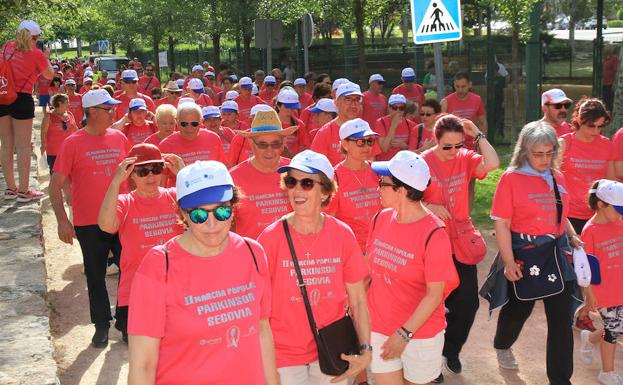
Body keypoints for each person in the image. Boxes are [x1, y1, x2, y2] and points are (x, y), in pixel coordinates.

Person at [127, 160, 279, 385]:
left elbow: (262, 330)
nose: (212, 224)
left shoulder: (252, 252)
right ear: (183, 214)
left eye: (222, 211)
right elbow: (143, 364)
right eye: (199, 215)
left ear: (233, 207)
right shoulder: (160, 265)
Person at [257, 149, 372, 385]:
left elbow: (358, 299)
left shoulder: (341, 234)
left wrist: (366, 349)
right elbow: (258, 309)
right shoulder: (270, 238)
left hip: (333, 349)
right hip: (285, 355)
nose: (297, 191)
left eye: (307, 183)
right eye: (291, 182)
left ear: (325, 191)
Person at [490, 121, 582, 385]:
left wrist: (573, 236)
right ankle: (502, 343)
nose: (544, 159)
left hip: (556, 254)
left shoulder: (557, 176)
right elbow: (502, 223)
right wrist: (508, 261)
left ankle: (560, 380)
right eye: (538, 153)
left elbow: (560, 214)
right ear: (524, 151)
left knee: (561, 321)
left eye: (549, 152)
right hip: (526, 254)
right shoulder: (512, 178)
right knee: (520, 309)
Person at [367, 150, 459, 385]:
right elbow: (369, 270)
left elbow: (434, 294)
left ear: (401, 190)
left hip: (420, 334)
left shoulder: (434, 233)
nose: (378, 187)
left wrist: (404, 334)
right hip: (380, 327)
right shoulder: (380, 218)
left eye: (382, 183)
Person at [49, 89, 129, 347]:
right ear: (93, 112)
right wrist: (62, 220)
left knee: (129, 272)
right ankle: (102, 325)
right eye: (108, 109)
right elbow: (55, 183)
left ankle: (127, 323)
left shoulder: (118, 138)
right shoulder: (72, 143)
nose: (113, 113)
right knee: (95, 276)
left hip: (122, 217)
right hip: (89, 222)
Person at [421, 114, 499, 375]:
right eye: (447, 147)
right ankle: (430, 365)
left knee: (467, 305)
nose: (454, 152)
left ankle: (450, 349)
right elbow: (405, 198)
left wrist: (476, 132)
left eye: (458, 145)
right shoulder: (423, 162)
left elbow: (494, 163)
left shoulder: (464, 157)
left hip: (461, 241)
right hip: (431, 242)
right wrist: (428, 205)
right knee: (429, 306)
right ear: (436, 140)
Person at [98, 143, 185, 343]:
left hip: (175, 290)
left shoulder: (174, 196)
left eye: (156, 169)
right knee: (143, 353)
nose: (151, 176)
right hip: (136, 293)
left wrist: (183, 175)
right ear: (132, 175)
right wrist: (114, 183)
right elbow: (106, 225)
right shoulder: (125, 201)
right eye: (143, 171)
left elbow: (201, 218)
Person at [1, 20, 53, 202]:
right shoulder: (36, 53)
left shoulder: (6, 47)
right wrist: (45, 57)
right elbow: (49, 75)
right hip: (22, 98)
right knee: (23, 146)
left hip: (2, 95)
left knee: (6, 145)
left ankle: (10, 189)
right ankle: (23, 191)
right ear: (36, 37)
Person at [578, 180, 623, 385]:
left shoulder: (619, 222)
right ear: (601, 205)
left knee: (617, 326)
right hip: (604, 291)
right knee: (613, 330)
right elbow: (586, 269)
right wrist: (589, 295)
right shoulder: (591, 231)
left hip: (620, 284)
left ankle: (590, 338)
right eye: (618, 209)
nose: (621, 213)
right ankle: (607, 372)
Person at [230, 109, 294, 239]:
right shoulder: (233, 178)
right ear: (251, 144)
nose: (269, 150)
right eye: (262, 144)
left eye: (275, 144)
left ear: (283, 144)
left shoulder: (296, 171)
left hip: (292, 254)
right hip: (253, 255)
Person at [560, 97, 617, 235]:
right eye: (591, 126)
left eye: (600, 126)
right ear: (579, 120)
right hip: (568, 215)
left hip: (597, 215)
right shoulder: (564, 143)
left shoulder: (607, 145)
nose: (596, 131)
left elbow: (611, 183)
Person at [325, 118, 381, 250]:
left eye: (370, 141)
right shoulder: (334, 176)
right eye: (360, 142)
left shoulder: (378, 171)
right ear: (345, 144)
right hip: (350, 249)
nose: (367, 147)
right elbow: (328, 219)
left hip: (379, 247)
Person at [158, 102, 225, 184]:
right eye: (184, 124)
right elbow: (161, 183)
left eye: (194, 124)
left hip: (210, 193)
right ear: (177, 121)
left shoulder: (213, 139)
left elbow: (222, 172)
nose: (189, 128)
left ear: (201, 122)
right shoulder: (165, 145)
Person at [311, 82, 364, 165]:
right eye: (348, 99)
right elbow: (315, 166)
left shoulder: (365, 130)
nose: (353, 105)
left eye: (357, 99)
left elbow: (370, 163)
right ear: (336, 103)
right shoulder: (325, 133)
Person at [440, 71, 487, 151]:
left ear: (470, 85)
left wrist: (483, 144)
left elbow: (483, 123)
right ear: (454, 85)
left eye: (463, 86)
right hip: (453, 146)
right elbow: (440, 127)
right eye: (457, 86)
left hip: (472, 145)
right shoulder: (445, 102)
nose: (460, 90)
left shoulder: (477, 99)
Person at [40, 94, 78, 173]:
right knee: (55, 174)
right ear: (60, 103)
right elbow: (43, 132)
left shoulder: (70, 114)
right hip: (54, 151)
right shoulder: (49, 116)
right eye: (67, 102)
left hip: (69, 151)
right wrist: (43, 145)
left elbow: (75, 129)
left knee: (70, 174)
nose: (69, 104)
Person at [375, 94, 419, 161]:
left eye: (401, 108)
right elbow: (384, 149)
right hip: (386, 163)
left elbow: (414, 150)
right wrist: (393, 127)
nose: (398, 111)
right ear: (389, 108)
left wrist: (404, 146)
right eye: (395, 107)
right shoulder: (381, 122)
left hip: (403, 164)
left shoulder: (411, 125)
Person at [275, 88, 308, 156]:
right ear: (278, 106)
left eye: (293, 107)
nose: (290, 111)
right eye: (287, 107)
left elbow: (304, 147)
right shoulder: (270, 124)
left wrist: (290, 156)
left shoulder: (299, 124)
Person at [602, 46, 619, 112]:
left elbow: (615, 71)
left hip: (611, 82)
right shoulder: (605, 59)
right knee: (605, 99)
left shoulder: (614, 59)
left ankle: (611, 113)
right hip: (605, 82)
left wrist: (615, 82)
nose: (604, 50)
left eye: (605, 49)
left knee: (610, 99)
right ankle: (606, 112)